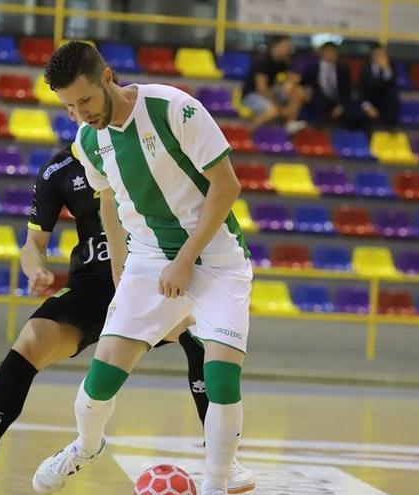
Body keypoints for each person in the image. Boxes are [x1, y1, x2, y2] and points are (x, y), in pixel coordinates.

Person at [0, 143, 255, 495]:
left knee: (201, 333)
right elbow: (33, 244)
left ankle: (223, 460)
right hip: (92, 282)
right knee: (31, 341)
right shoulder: (58, 169)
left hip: (156, 271)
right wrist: (36, 269)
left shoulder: (148, 146)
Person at [34, 41, 253, 495]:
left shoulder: (175, 109)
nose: (80, 114)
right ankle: (85, 446)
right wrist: (120, 269)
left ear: (107, 76)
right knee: (102, 376)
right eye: (69, 106)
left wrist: (185, 260)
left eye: (86, 100)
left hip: (216, 256)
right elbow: (109, 200)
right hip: (150, 259)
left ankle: (216, 484)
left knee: (221, 375)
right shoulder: (89, 141)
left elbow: (227, 186)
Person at [241, 35, 307, 133]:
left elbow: (291, 79)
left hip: (271, 93)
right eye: (286, 46)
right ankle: (246, 134)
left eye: (289, 46)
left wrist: (291, 83)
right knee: (272, 111)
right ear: (276, 46)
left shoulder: (283, 62)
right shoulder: (263, 61)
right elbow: (262, 89)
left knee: (298, 91)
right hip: (252, 95)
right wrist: (280, 108)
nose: (288, 49)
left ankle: (290, 122)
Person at [302, 41, 362, 128]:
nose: (330, 54)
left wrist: (341, 105)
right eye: (327, 52)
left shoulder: (343, 69)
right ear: (321, 53)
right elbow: (305, 85)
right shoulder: (312, 69)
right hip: (318, 100)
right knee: (317, 100)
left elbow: (347, 90)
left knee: (353, 112)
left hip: (338, 100)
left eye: (333, 52)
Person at [359, 42, 399, 128]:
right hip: (370, 101)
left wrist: (386, 70)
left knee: (392, 97)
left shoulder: (390, 67)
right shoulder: (365, 68)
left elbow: (392, 86)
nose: (379, 56)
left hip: (385, 102)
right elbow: (362, 90)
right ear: (372, 55)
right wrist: (367, 107)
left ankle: (391, 128)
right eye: (377, 54)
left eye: (382, 54)